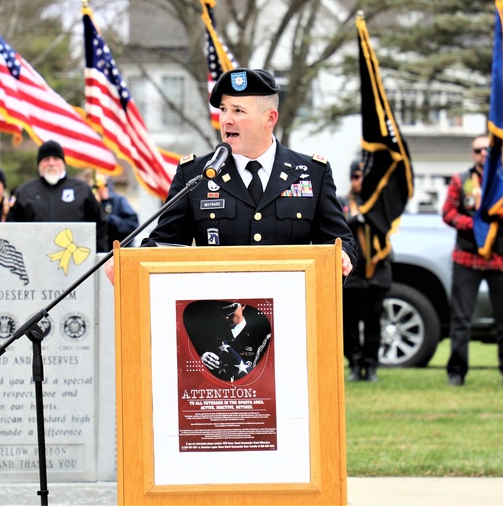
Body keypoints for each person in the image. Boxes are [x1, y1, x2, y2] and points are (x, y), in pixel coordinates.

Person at [139, 68, 357, 275]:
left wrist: (343, 256)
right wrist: (130, 261)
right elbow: (164, 245)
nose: (226, 120)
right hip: (220, 310)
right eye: (223, 109)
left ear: (270, 118)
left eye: (238, 111)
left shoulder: (311, 173)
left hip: (293, 308)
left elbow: (339, 241)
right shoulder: (196, 175)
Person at [441, 134, 503, 388]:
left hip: (501, 259)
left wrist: (501, 214)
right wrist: (476, 225)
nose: (483, 154)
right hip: (466, 258)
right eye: (478, 150)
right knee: (461, 318)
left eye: (487, 149)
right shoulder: (461, 180)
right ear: (473, 153)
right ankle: (456, 373)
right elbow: (448, 213)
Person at [340, 160, 392, 383]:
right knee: (349, 324)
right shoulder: (342, 202)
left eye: (364, 177)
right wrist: (356, 218)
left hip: (376, 272)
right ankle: (354, 364)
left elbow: (389, 228)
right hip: (352, 273)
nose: (360, 181)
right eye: (356, 177)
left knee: (373, 324)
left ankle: (371, 366)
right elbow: (338, 226)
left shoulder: (380, 204)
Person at [8, 140, 109, 251]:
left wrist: (100, 257)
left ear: (63, 163)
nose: (51, 163)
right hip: (35, 259)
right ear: (39, 164)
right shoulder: (24, 192)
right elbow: (12, 229)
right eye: (46, 159)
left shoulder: (82, 190)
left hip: (77, 259)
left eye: (56, 159)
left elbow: (100, 226)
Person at [183, 301, 272, 383]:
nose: (226, 317)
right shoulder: (207, 333)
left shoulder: (262, 336)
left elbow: (265, 374)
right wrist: (201, 359)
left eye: (230, 311)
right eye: (222, 312)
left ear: (243, 306)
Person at [89, 172, 139, 247]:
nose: (102, 190)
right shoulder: (91, 204)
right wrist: (96, 206)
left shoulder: (119, 201)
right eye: (97, 187)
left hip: (120, 247)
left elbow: (132, 225)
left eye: (104, 186)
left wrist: (109, 218)